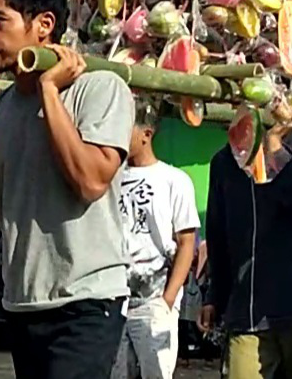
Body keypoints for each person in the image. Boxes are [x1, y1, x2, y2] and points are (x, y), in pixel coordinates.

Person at [0, 0, 134, 379]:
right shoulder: (0, 109)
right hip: (22, 303)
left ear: (44, 24)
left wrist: (49, 89)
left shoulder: (100, 87)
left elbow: (90, 180)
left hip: (86, 302)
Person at [199, 119, 292, 379]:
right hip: (249, 310)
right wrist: (214, 296)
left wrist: (274, 149)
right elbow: (218, 234)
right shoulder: (223, 162)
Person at [113, 102, 200, 379]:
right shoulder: (108, 177)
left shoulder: (174, 180)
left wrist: (168, 298)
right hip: (113, 299)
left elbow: (187, 242)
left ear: (146, 134)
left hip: (154, 299)